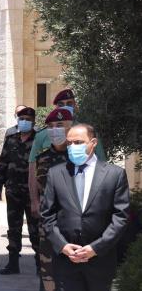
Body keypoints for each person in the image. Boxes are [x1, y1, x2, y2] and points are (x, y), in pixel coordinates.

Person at [41, 123, 129, 291]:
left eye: (78, 142)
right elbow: (47, 216)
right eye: (69, 143)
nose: (73, 148)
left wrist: (96, 248)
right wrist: (62, 246)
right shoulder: (56, 174)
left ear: (92, 143)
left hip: (99, 259)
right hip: (66, 259)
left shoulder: (114, 174)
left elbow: (120, 217)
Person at [30, 107, 73, 291]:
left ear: (70, 127)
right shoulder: (43, 157)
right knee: (50, 280)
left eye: (61, 126)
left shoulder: (79, 156)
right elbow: (35, 184)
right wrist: (35, 203)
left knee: (74, 280)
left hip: (74, 229)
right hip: (48, 228)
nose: (56, 131)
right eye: (52, 127)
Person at [28, 89, 106, 217]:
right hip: (49, 204)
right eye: (61, 104)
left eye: (69, 103)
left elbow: (101, 164)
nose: (65, 106)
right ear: (56, 107)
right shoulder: (43, 134)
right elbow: (32, 169)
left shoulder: (88, 132)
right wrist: (34, 201)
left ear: (75, 105)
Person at [0, 106, 38, 275]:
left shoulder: (39, 140)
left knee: (35, 229)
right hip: (13, 191)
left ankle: (41, 265)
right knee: (13, 228)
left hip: (32, 193)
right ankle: (13, 263)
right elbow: (3, 163)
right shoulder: (11, 140)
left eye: (28, 119)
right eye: (22, 119)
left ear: (33, 121)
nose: (24, 122)